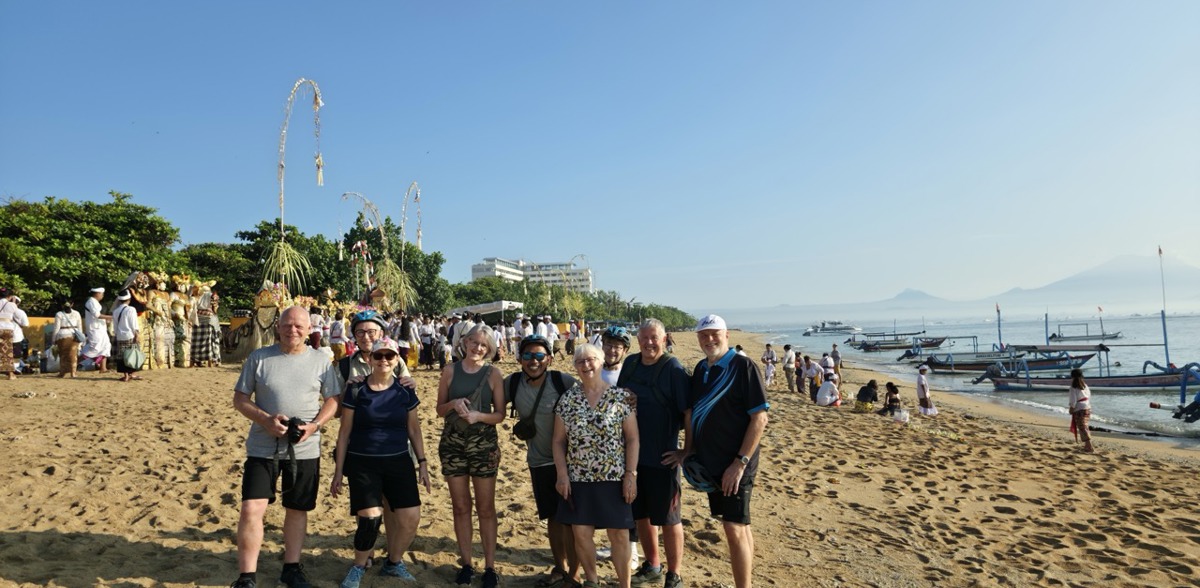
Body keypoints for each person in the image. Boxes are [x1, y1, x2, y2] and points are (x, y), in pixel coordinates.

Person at [230, 306, 342, 588]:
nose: (293, 330)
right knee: (251, 509)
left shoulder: (321, 361)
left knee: (297, 509)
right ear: (277, 327)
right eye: (287, 325)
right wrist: (266, 419)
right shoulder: (259, 357)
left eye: (299, 326)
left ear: (309, 329)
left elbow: (333, 400)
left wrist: (314, 426)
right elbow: (240, 398)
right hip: (262, 446)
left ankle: (291, 567)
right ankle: (247, 576)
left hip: (304, 448)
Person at [330, 337, 432, 588]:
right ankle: (358, 566)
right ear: (370, 359)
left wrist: (423, 463)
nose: (384, 360)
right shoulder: (356, 389)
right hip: (363, 462)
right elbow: (344, 432)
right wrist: (338, 471)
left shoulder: (405, 390)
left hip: (398, 460)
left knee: (410, 517)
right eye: (379, 356)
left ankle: (394, 562)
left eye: (389, 356)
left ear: (397, 359)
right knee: (370, 519)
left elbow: (414, 430)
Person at [688, 315, 768, 588]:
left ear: (726, 335)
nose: (710, 339)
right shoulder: (701, 369)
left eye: (715, 334)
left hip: (737, 464)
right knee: (739, 526)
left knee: (733, 528)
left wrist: (740, 463)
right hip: (713, 464)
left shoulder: (744, 366)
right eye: (704, 335)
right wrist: (689, 451)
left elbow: (759, 418)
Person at [553, 343, 639, 588]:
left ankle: (624, 584)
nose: (586, 365)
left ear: (601, 362)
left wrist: (630, 475)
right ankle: (592, 580)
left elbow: (632, 438)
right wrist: (562, 474)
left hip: (614, 476)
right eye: (580, 362)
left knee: (619, 534)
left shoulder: (620, 396)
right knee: (581, 533)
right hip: (578, 476)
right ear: (575, 367)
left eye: (591, 360)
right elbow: (558, 441)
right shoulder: (568, 399)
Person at [504, 334, 581, 588]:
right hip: (538, 461)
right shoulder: (513, 383)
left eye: (539, 356)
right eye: (527, 356)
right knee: (553, 517)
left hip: (570, 463)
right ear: (519, 359)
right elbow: (486, 397)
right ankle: (559, 567)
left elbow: (591, 399)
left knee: (572, 519)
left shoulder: (563, 381)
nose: (533, 361)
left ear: (549, 359)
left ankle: (575, 573)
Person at [619, 319, 690, 588]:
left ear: (664, 339)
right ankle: (653, 564)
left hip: (664, 458)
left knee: (670, 519)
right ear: (638, 340)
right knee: (641, 515)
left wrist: (686, 450)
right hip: (634, 457)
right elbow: (619, 395)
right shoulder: (632, 364)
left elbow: (687, 412)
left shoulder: (672, 367)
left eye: (654, 338)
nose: (649, 342)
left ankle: (674, 574)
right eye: (644, 337)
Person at [435, 323, 505, 588]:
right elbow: (439, 410)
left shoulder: (493, 373)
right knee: (461, 506)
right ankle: (466, 564)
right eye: (474, 342)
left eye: (484, 345)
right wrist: (453, 404)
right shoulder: (449, 371)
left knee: (486, 508)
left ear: (489, 349)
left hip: (483, 444)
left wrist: (478, 416)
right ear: (464, 342)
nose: (478, 348)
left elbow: (499, 414)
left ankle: (490, 567)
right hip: (452, 443)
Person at [112, 291, 141, 382]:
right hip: (130, 335)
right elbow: (134, 323)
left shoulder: (115, 311)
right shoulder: (131, 309)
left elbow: (115, 325)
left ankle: (126, 376)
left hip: (120, 335)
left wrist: (116, 334)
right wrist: (137, 334)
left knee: (122, 356)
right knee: (131, 354)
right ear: (129, 299)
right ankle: (132, 373)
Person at [81, 287, 111, 373]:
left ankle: (103, 368)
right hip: (94, 329)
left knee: (105, 346)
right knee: (94, 349)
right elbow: (97, 315)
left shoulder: (95, 302)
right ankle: (74, 362)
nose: (102, 296)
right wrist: (112, 317)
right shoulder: (91, 302)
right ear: (98, 293)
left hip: (101, 329)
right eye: (102, 294)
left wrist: (106, 320)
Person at [53, 300, 85, 378]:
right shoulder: (77, 313)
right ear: (72, 304)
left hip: (62, 335)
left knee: (63, 355)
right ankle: (73, 373)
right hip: (74, 335)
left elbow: (56, 328)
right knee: (73, 355)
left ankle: (62, 373)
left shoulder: (59, 314)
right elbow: (80, 327)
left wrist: (53, 339)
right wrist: (81, 338)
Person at [1068, 369, 1095, 453]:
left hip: (1079, 408)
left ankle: (1089, 445)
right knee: (1085, 426)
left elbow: (1073, 400)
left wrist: (1071, 409)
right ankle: (1087, 445)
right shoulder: (1085, 385)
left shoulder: (1073, 387)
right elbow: (1089, 396)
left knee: (1082, 427)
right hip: (1087, 407)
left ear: (1072, 376)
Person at [0, 293, 24, 379]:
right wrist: (13, 302)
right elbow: (17, 312)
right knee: (7, 351)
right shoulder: (11, 305)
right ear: (9, 296)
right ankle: (10, 374)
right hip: (7, 328)